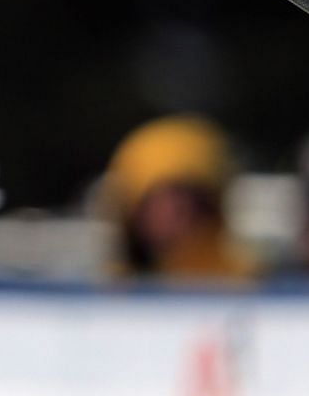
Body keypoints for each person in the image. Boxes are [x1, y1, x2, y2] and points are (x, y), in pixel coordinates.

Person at [103, 114, 257, 281]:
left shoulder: (246, 284)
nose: (170, 212)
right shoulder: (109, 289)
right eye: (154, 198)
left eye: (186, 195)